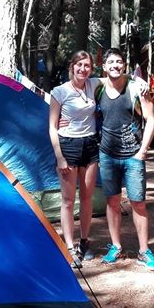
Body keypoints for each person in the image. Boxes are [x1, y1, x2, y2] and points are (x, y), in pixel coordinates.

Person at [97, 48, 154, 271]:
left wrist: (143, 150)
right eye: (111, 62)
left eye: (119, 62)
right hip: (107, 155)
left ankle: (144, 251)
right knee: (112, 202)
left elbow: (151, 119)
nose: (115, 65)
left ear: (124, 65)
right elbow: (78, 82)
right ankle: (116, 247)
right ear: (104, 67)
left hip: (133, 155)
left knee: (138, 202)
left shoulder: (136, 87)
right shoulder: (98, 87)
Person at [49, 51, 101, 267]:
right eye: (79, 65)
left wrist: (141, 82)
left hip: (90, 145)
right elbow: (52, 127)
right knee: (68, 201)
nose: (83, 69)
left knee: (87, 198)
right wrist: (59, 156)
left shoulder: (94, 84)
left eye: (87, 65)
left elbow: (119, 77)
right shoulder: (59, 92)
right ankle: (69, 247)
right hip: (68, 146)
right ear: (72, 66)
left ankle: (84, 242)